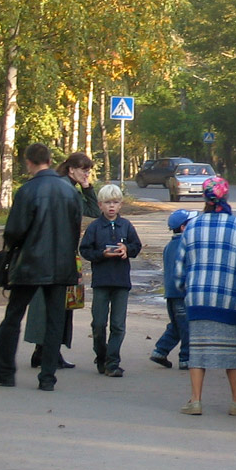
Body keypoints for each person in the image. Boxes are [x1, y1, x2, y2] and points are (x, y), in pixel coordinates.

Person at [173, 176, 236, 417]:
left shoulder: (192, 226)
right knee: (233, 352)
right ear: (225, 197)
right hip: (228, 301)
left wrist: (184, 289)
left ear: (205, 198)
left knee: (198, 350)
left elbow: (180, 266)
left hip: (198, 299)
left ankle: (195, 400)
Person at [0, 143, 82, 391]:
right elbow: (76, 228)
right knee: (55, 321)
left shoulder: (28, 190)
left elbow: (14, 230)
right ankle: (47, 378)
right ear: (49, 159)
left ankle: (4, 372)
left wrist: (13, 249)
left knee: (13, 316)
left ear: (29, 162)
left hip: (31, 264)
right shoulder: (68, 191)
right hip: (61, 265)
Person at [25, 151, 100, 369]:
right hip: (53, 253)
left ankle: (47, 351)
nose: (87, 175)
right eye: (84, 171)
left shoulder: (73, 190)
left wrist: (88, 188)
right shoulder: (62, 189)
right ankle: (45, 352)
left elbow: (94, 211)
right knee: (52, 303)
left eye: (88, 171)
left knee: (63, 303)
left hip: (64, 252)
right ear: (71, 169)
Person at [79, 184, 142, 377]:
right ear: (100, 205)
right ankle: (101, 356)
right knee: (98, 324)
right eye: (107, 203)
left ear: (121, 205)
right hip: (101, 282)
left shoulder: (126, 225)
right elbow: (85, 250)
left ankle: (113, 362)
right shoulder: (95, 227)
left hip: (121, 282)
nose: (111, 207)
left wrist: (126, 250)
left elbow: (136, 246)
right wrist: (101, 254)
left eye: (115, 202)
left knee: (118, 325)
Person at [149, 209, 199, 370]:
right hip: (182, 293)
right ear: (184, 228)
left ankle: (160, 350)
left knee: (177, 325)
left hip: (171, 293)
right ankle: (186, 358)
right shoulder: (187, 247)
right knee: (187, 327)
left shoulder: (169, 246)